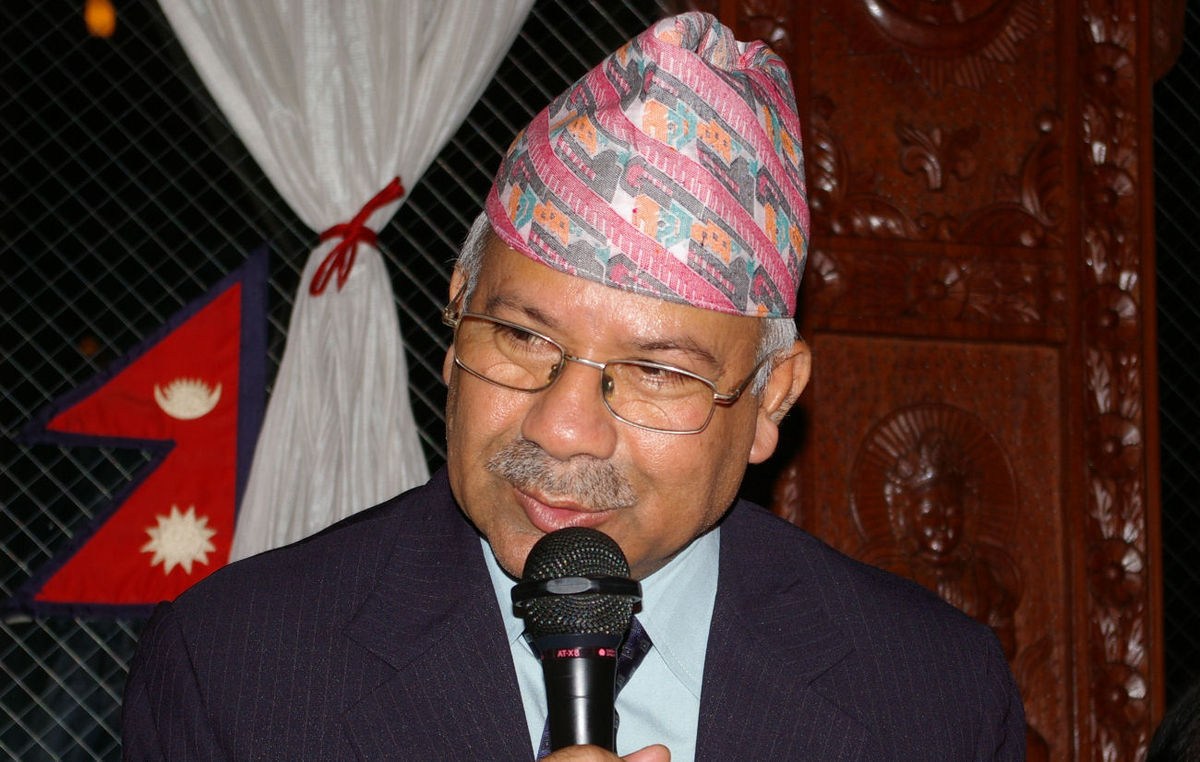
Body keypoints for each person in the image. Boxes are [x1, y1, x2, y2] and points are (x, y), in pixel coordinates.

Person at [122, 12, 1026, 760]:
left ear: (772, 398)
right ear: (456, 314)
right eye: (521, 338)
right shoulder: (237, 670)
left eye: (656, 371)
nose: (560, 429)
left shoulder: (932, 698)